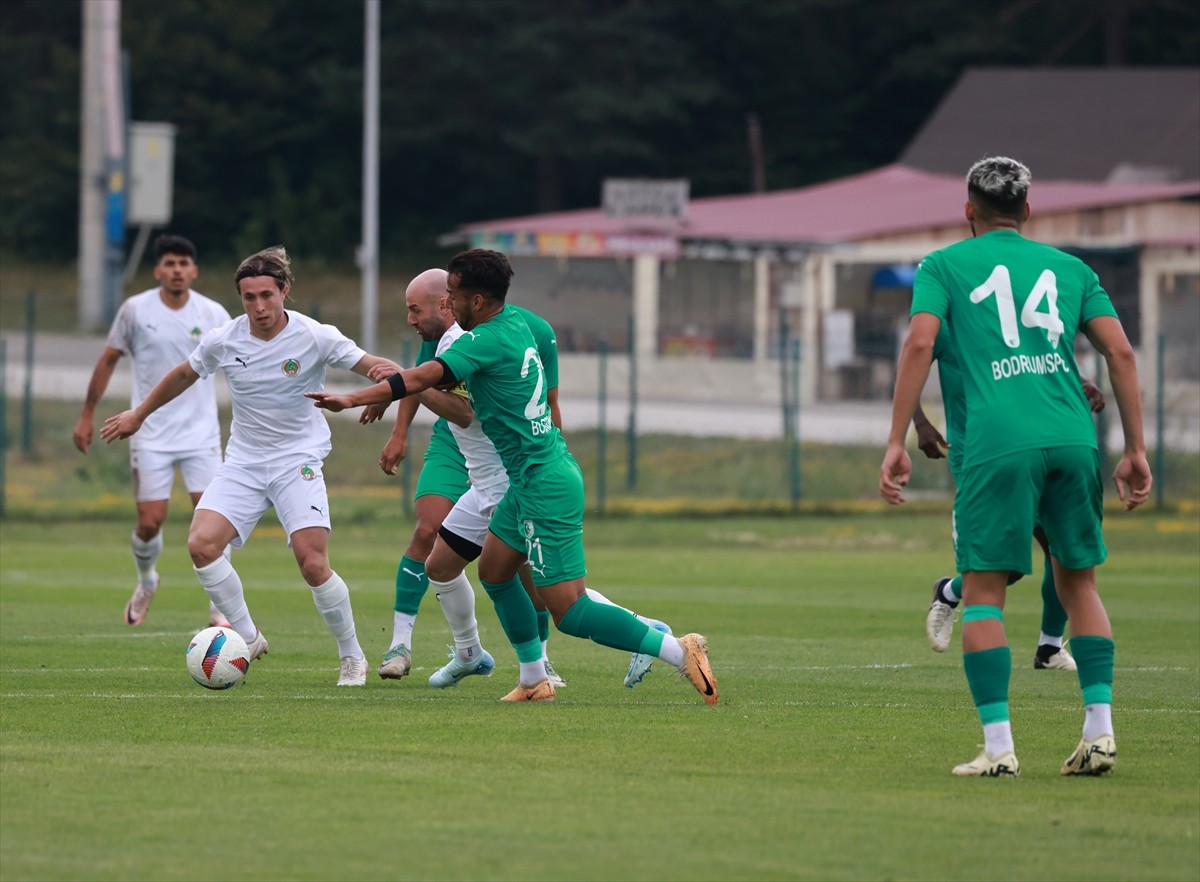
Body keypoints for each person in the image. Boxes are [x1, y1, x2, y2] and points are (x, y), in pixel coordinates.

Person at [307, 249, 717, 704]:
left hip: (542, 482)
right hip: (526, 481)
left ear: (478, 300)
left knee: (569, 610)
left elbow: (426, 377)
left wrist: (351, 397)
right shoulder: (517, 324)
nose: (450, 305)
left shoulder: (483, 341)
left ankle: (678, 650)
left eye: (455, 297)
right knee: (495, 570)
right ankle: (531, 679)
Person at [880, 156, 1151, 777]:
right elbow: (1121, 353)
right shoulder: (1071, 268)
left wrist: (897, 437)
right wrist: (1135, 449)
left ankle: (999, 749)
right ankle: (1100, 733)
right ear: (1028, 212)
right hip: (1072, 435)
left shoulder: (943, 265)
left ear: (968, 210)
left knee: (984, 593)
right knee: (1079, 583)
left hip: (999, 442)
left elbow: (920, 343)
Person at [101, 245, 397, 686]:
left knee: (312, 562)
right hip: (243, 461)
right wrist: (139, 414)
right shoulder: (225, 339)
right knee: (202, 545)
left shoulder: (315, 335)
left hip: (297, 459)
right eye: (249, 297)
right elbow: (183, 373)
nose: (259, 307)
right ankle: (248, 635)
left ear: (285, 291)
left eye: (266, 295)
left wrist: (380, 394)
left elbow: (381, 367)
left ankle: (351, 656)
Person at [374, 269, 671, 689]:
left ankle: (635, 636)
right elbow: (423, 378)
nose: (411, 319)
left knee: (548, 591)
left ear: (459, 300)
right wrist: (398, 409)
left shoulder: (498, 335)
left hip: (511, 480)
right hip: (486, 482)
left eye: (416, 309)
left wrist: (548, 463)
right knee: (441, 565)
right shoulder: (450, 334)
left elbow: (502, 406)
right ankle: (470, 654)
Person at [73, 234, 233, 629]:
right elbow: (108, 359)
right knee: (150, 521)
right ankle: (147, 582)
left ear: (194, 271)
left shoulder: (213, 313)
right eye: (169, 263)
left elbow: (242, 361)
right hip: (150, 433)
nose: (177, 270)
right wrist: (87, 414)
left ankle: (221, 605)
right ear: (157, 269)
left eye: (184, 264)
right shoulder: (134, 310)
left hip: (200, 434)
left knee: (213, 519)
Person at [915, 350, 1107, 671]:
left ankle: (1050, 647)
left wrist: (1076, 382)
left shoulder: (1001, 313)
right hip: (977, 454)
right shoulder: (943, 315)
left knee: (1059, 551)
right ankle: (949, 591)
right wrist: (919, 422)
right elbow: (911, 360)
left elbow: (1034, 361)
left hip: (1026, 447)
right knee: (1006, 566)